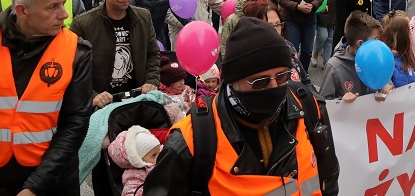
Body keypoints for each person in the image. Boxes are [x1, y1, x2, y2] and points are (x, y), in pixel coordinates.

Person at [143, 17, 340, 196]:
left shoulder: (308, 106)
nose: (274, 87)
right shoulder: (191, 142)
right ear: (233, 82)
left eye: (282, 76)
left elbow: (328, 177)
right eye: (260, 81)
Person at [0, 0, 92, 195]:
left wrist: (35, 186)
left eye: (64, 3)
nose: (64, 14)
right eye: (53, 7)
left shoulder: (76, 51)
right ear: (23, 11)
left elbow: (75, 124)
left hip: (52, 180)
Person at [69, 0, 160, 109]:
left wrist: (151, 81)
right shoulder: (83, 23)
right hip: (101, 105)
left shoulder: (143, 17)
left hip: (136, 99)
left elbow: (152, 55)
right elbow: (71, 67)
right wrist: (92, 95)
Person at [321, 10, 392, 101]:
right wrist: (341, 101)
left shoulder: (378, 58)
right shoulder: (334, 66)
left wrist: (389, 88)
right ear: (360, 43)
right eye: (375, 39)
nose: (380, 43)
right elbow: (323, 103)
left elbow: (389, 85)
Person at [382, 11, 415, 88]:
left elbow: (409, 84)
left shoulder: (402, 57)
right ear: (402, 36)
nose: (411, 33)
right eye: (409, 30)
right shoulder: (387, 61)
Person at [158, 56, 196, 123]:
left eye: (183, 79)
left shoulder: (187, 90)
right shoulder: (163, 95)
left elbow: (194, 102)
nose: (182, 83)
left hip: (191, 119)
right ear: (169, 82)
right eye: (178, 81)